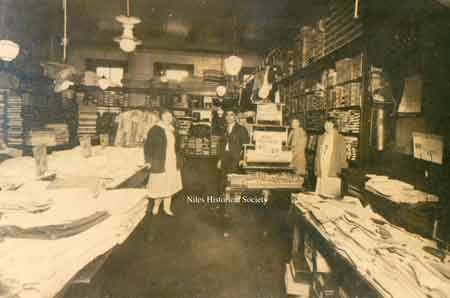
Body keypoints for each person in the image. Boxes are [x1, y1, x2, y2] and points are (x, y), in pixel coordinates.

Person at [144, 109, 183, 216]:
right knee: (160, 185)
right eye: (165, 115)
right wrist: (148, 161)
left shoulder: (173, 130)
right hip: (160, 162)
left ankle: (167, 208)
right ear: (161, 117)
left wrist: (180, 159)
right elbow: (148, 146)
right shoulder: (155, 129)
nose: (168, 118)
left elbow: (178, 147)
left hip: (172, 161)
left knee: (170, 185)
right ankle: (156, 206)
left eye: (170, 116)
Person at [217, 108, 250, 235]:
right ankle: (224, 205)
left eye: (231, 115)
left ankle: (232, 209)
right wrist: (219, 159)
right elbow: (220, 145)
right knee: (223, 182)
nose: (229, 117)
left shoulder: (241, 129)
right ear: (225, 117)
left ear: (235, 117)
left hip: (235, 160)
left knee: (234, 184)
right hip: (225, 158)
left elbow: (246, 146)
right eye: (227, 115)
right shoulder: (223, 129)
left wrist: (242, 159)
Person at [314, 117, 348, 198]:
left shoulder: (340, 138)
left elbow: (343, 154)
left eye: (330, 123)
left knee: (331, 193)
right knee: (321, 191)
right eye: (326, 123)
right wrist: (316, 167)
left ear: (334, 125)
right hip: (322, 165)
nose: (327, 125)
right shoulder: (321, 137)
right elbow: (317, 154)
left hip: (333, 166)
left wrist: (343, 168)